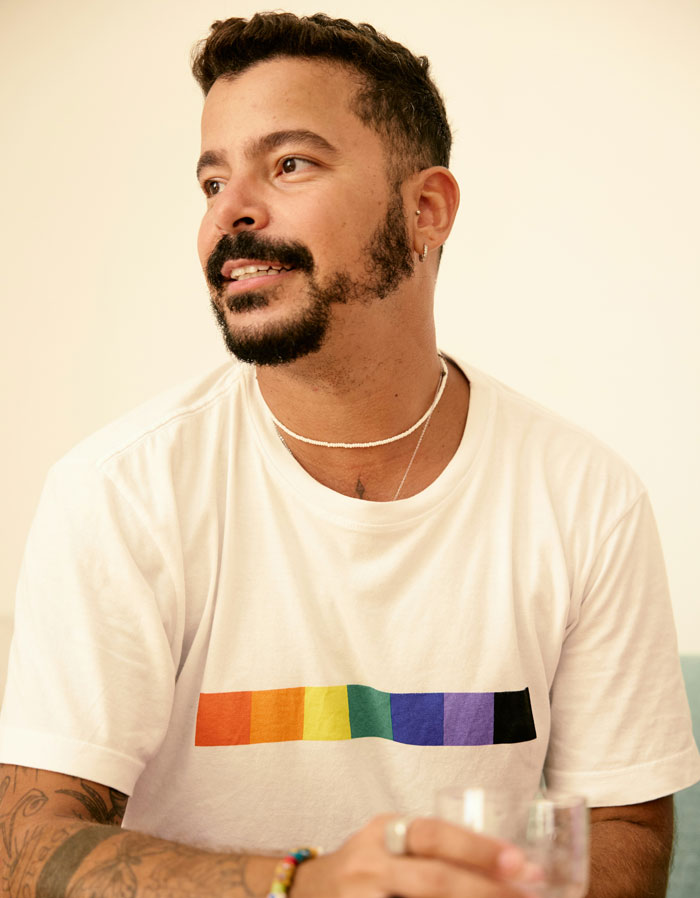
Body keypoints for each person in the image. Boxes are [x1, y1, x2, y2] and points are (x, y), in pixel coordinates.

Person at [0, 11, 698, 898]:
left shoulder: (584, 496)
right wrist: (306, 884)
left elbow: (622, 819)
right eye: (212, 179)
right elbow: (22, 849)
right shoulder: (120, 492)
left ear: (426, 210)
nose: (230, 211)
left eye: (289, 163)